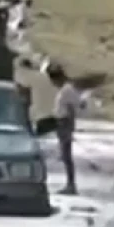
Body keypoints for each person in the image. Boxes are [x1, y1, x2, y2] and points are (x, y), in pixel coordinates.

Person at [47, 63, 79, 195]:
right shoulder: (63, 89)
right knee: (64, 155)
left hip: (65, 123)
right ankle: (69, 184)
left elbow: (71, 110)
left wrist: (70, 129)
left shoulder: (67, 90)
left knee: (67, 156)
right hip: (61, 123)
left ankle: (71, 185)